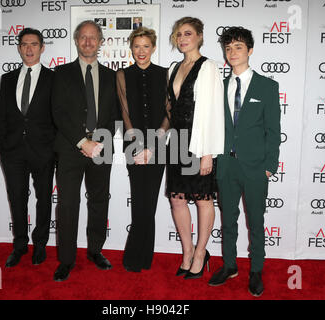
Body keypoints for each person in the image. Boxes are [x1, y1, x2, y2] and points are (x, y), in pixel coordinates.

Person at [208, 26, 281, 297]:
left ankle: (256, 270)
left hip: (254, 167)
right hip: (226, 165)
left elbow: (273, 131)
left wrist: (268, 167)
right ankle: (229, 265)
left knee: (256, 222)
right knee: (228, 220)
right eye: (228, 48)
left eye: (238, 47)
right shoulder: (220, 86)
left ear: (250, 51)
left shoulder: (268, 86)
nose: (232, 52)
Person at [51, 20, 119, 282]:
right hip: (70, 148)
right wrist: (83, 142)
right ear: (76, 40)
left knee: (100, 200)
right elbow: (59, 112)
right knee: (68, 204)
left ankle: (95, 251)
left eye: (94, 37)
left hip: (102, 147)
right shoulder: (61, 73)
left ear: (101, 41)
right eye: (83, 37)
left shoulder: (114, 76)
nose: (88, 42)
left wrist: (100, 142)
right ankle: (66, 260)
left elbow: (117, 115)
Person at [166, 17, 225, 280]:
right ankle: (187, 251)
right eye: (178, 34)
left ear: (200, 36)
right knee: (177, 199)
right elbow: (170, 109)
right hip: (176, 141)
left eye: (187, 33)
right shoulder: (173, 68)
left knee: (203, 199)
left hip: (199, 141)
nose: (182, 38)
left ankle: (202, 252)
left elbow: (213, 113)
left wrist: (208, 153)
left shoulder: (208, 67)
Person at [0, 28, 56, 268]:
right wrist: (1, 145)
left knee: (43, 199)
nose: (29, 49)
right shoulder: (7, 79)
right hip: (12, 151)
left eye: (34, 44)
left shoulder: (53, 79)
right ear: (19, 48)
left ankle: (40, 244)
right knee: (17, 198)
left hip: (43, 150)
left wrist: (54, 148)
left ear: (42, 48)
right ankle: (19, 245)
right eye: (24, 44)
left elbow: (59, 115)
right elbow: (2, 115)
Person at [116, 27, 169, 272]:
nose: (141, 51)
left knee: (150, 201)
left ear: (153, 48)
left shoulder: (165, 74)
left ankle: (143, 256)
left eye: (146, 46)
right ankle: (135, 256)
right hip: (133, 146)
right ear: (131, 48)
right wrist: (138, 146)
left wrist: (154, 144)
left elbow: (169, 111)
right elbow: (125, 112)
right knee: (139, 201)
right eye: (137, 46)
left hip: (159, 146)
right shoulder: (123, 74)